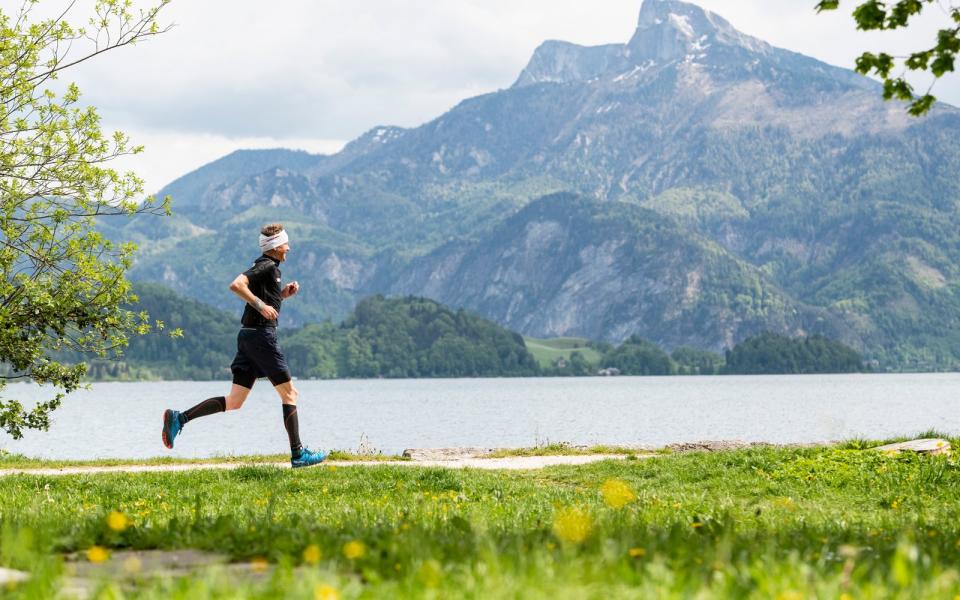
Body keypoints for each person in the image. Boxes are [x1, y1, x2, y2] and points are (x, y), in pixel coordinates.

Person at [161, 223, 327, 468]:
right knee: (290, 394)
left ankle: (179, 418)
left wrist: (281, 296)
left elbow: (262, 299)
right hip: (261, 338)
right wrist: (261, 305)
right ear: (275, 246)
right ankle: (298, 453)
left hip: (248, 337)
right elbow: (236, 285)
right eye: (285, 244)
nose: (289, 248)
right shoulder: (266, 266)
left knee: (235, 401)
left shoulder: (271, 269)